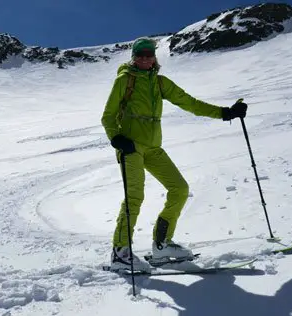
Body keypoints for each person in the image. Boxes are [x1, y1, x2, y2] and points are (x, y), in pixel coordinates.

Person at [101, 37, 247, 271]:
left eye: (149, 54)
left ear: (154, 57)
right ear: (134, 57)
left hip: (153, 147)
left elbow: (190, 103)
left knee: (179, 189)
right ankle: (120, 252)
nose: (145, 58)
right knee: (135, 196)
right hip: (130, 147)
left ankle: (162, 244)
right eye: (140, 55)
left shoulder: (160, 83)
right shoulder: (124, 80)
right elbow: (107, 116)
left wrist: (225, 113)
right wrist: (116, 138)